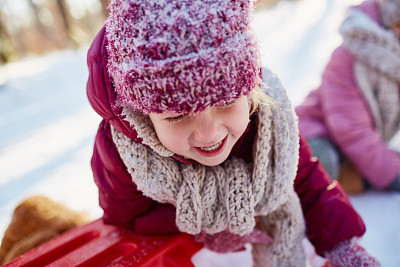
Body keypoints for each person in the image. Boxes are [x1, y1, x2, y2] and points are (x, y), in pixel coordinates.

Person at [86, 0, 380, 266]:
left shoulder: (268, 123)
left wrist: (344, 247)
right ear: (144, 116)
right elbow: (128, 218)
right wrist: (209, 219)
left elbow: (308, 182)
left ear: (250, 91)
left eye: (226, 103)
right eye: (177, 116)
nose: (208, 134)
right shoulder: (124, 151)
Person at [295, 0, 400, 191]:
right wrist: (394, 174)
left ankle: (354, 174)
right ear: (389, 24)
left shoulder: (396, 61)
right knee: (321, 164)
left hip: (360, 146)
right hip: (317, 132)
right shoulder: (348, 56)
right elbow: (351, 130)